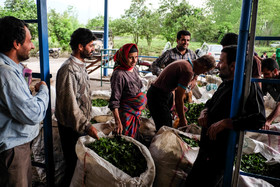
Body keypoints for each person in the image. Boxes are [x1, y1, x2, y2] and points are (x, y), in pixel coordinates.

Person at [184, 46, 266, 187]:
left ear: (233, 66)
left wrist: (227, 123)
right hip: (206, 150)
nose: (217, 65)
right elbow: (210, 103)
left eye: (221, 61)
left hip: (220, 154)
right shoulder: (226, 84)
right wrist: (204, 111)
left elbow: (258, 118)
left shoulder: (248, 88)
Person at [0, 16, 49, 186]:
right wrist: (44, 90)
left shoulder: (13, 69)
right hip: (13, 151)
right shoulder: (5, 73)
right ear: (16, 44)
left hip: (17, 147)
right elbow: (33, 113)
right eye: (29, 41)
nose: (33, 46)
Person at [55, 28, 99, 187]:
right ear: (80, 47)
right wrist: (87, 126)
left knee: (80, 164)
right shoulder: (68, 69)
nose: (93, 49)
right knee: (73, 165)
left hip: (79, 125)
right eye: (90, 45)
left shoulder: (80, 65)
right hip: (71, 127)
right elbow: (70, 105)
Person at [147, 55, 216, 130]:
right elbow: (179, 99)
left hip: (164, 93)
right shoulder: (188, 71)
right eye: (206, 71)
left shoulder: (186, 63)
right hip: (157, 96)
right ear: (204, 66)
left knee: (165, 124)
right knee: (165, 128)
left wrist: (178, 108)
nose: (204, 73)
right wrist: (182, 119)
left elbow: (176, 92)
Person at [109, 43, 146, 138]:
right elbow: (114, 101)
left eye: (136, 57)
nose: (134, 61)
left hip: (136, 114)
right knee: (126, 140)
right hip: (126, 117)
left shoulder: (134, 69)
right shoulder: (119, 75)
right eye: (130, 57)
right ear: (124, 57)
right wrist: (118, 122)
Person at [261, 58, 280, 130]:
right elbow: (260, 97)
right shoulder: (266, 81)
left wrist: (268, 121)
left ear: (275, 71)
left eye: (267, 74)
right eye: (263, 74)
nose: (265, 77)